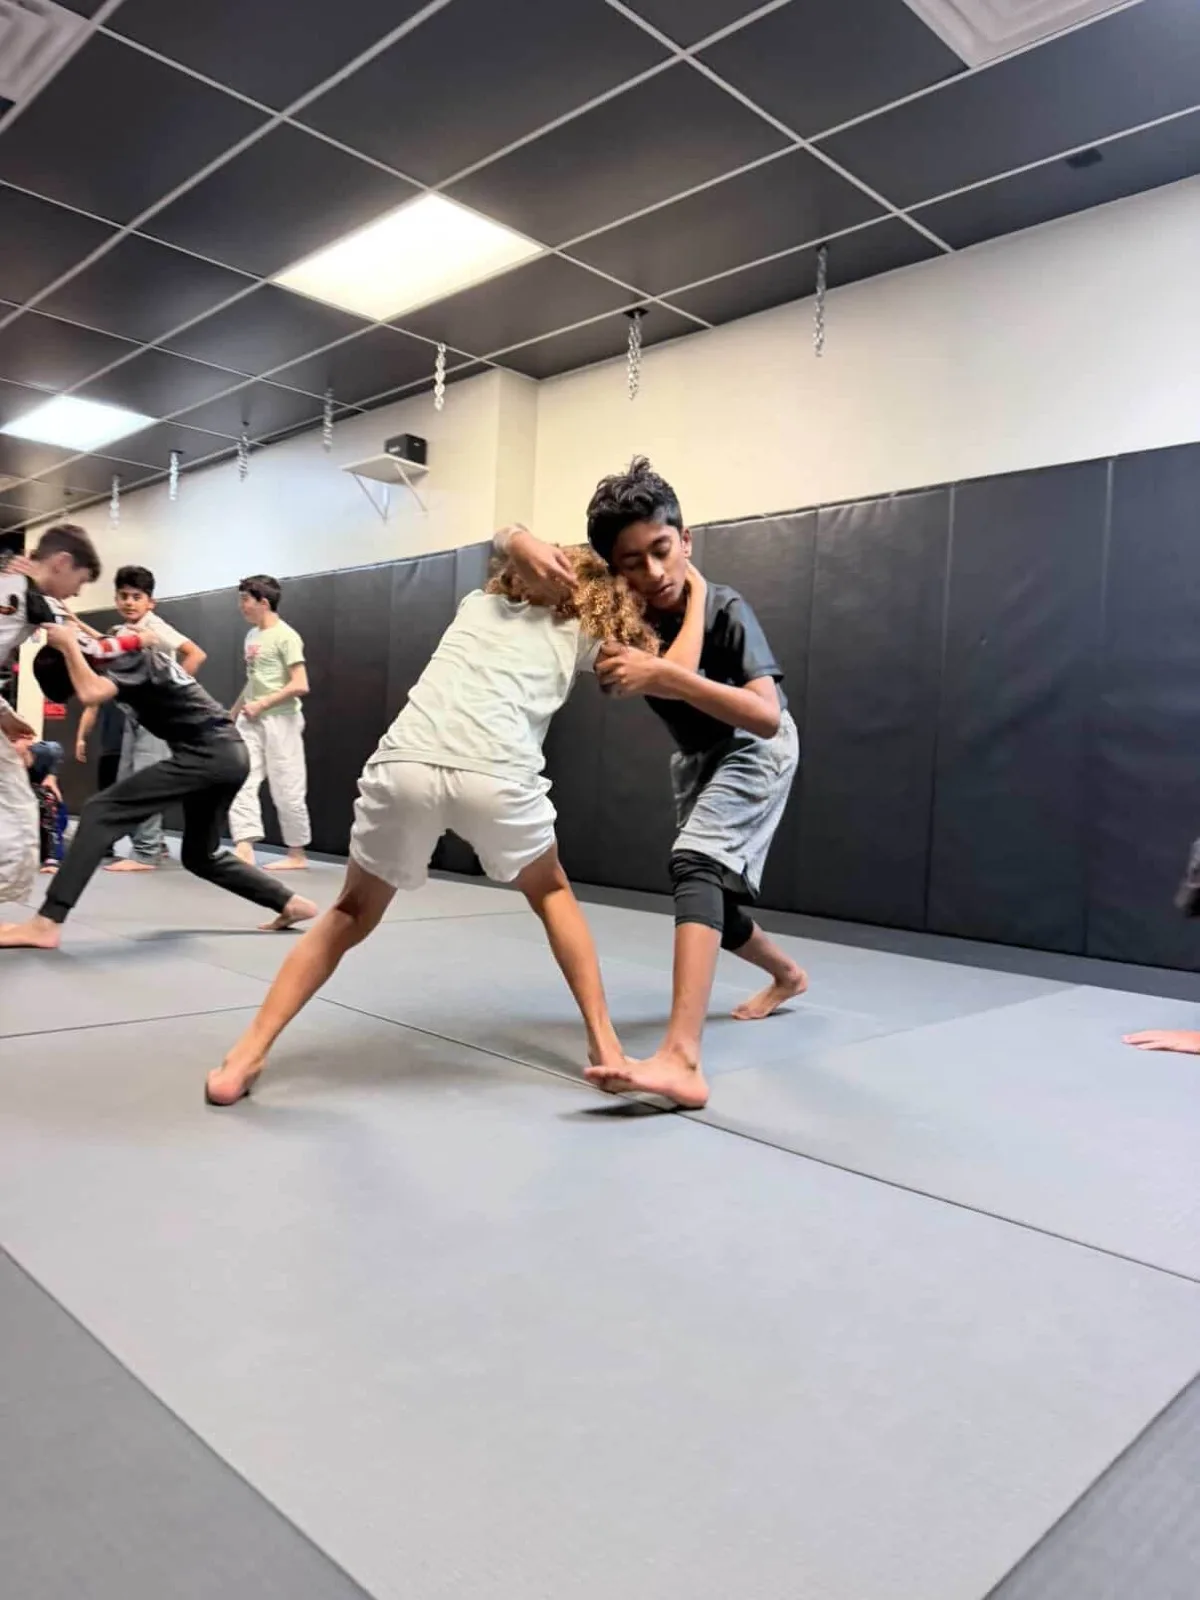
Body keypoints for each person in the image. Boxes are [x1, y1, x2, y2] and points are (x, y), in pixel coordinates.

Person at [205, 544, 700, 1108]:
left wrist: (517, 540)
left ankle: (244, 1054)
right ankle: (606, 1046)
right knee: (552, 890)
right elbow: (674, 674)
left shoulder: (473, 604)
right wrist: (695, 594)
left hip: (405, 764)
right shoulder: (581, 632)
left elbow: (506, 543)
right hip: (496, 774)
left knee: (348, 912)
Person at [498, 459, 805, 1110]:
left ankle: (681, 1059)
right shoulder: (621, 605)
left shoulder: (725, 607)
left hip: (754, 747)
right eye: (631, 562)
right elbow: (518, 549)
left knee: (694, 864)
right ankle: (787, 974)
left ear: (685, 540)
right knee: (714, 900)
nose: (652, 573)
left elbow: (766, 715)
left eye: (663, 551)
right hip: (697, 758)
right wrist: (513, 537)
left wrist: (671, 658)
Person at [0, 623, 316, 951]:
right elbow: (96, 669)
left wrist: (66, 644)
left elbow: (92, 690)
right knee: (200, 856)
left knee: (100, 811)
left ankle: (46, 923)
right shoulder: (119, 654)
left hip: (209, 753)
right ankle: (290, 902)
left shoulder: (123, 661)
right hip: (226, 754)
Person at [78, 564, 207, 874]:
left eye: (137, 597)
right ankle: (153, 842)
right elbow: (106, 645)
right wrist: (74, 625)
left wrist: (171, 690)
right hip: (135, 715)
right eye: (123, 596)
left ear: (150, 602)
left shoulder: (155, 626)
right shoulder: (123, 630)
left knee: (145, 781)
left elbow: (196, 654)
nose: (129, 602)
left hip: (156, 716)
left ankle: (146, 852)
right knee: (128, 780)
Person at [0, 525, 101, 903]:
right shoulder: (16, 594)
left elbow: (67, 624)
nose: (76, 591)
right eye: (80, 580)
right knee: (16, 808)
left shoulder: (21, 592)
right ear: (62, 563)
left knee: (16, 805)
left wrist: (5, 715)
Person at [229, 575, 311, 873]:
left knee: (287, 785)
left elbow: (300, 684)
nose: (241, 606)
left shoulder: (286, 636)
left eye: (245, 600)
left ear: (264, 603)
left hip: (281, 720)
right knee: (241, 778)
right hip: (250, 718)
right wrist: (234, 711)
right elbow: (254, 681)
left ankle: (297, 853)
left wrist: (263, 704)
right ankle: (244, 845)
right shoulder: (251, 637)